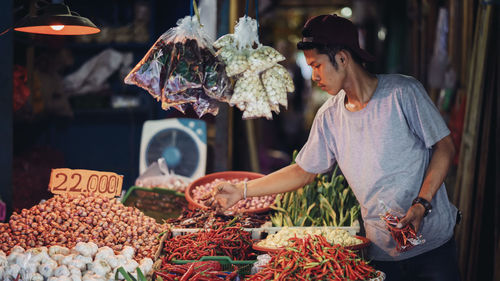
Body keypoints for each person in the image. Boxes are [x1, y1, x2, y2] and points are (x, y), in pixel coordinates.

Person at [214, 14, 461, 281]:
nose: (314, 75)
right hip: (381, 251)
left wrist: (421, 204)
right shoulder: (330, 116)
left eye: (317, 65)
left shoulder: (403, 93)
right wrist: (242, 191)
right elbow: (302, 171)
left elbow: (444, 147)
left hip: (433, 248)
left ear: (342, 58)